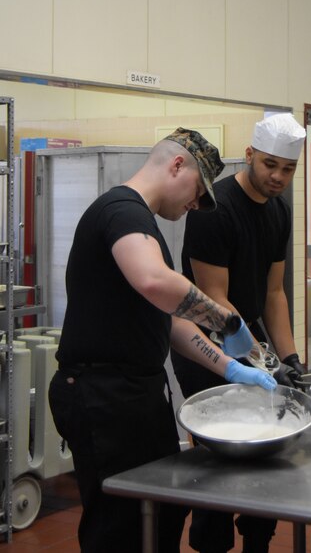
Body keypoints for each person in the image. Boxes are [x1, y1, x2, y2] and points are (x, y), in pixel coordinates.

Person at [48, 128, 276, 553]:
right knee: (122, 529)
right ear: (176, 165)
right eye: (197, 191)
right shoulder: (121, 210)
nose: (195, 204)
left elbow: (168, 319)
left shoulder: (143, 227)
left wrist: (228, 366)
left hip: (136, 394)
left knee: (162, 515)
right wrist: (227, 321)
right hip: (103, 396)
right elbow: (155, 283)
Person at [171, 112, 307, 553]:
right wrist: (263, 361)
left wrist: (290, 361)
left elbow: (274, 294)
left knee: (263, 453)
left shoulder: (279, 212)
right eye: (270, 165)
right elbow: (215, 304)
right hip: (208, 347)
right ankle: (211, 543)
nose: (278, 177)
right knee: (219, 460)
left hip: (253, 347)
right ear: (249, 155)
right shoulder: (216, 209)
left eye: (288, 169)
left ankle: (258, 542)